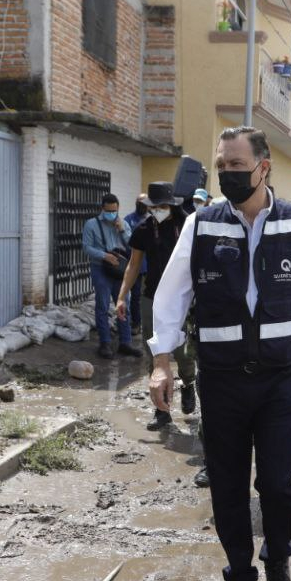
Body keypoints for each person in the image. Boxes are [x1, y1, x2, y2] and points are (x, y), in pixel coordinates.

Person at [146, 126, 291, 581]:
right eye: (222, 165)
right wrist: (161, 361)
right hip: (222, 379)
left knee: (278, 483)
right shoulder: (200, 225)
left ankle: (278, 566)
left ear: (264, 168)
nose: (228, 174)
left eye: (237, 165)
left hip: (280, 378)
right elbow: (171, 297)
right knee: (228, 489)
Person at [116, 182, 195, 432]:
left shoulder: (186, 226)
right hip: (152, 298)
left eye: (163, 206)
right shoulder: (143, 229)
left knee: (184, 353)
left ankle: (188, 383)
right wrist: (122, 296)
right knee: (155, 355)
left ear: (172, 206)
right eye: (155, 207)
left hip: (184, 299)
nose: (159, 210)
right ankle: (162, 412)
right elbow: (133, 265)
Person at [83, 194, 141, 360]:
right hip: (100, 268)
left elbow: (132, 246)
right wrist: (104, 255)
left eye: (114, 211)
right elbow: (86, 247)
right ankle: (105, 343)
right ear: (102, 209)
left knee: (124, 305)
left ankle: (125, 342)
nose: (111, 214)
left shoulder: (123, 223)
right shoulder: (91, 224)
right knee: (102, 306)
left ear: (118, 208)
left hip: (120, 269)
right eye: (108, 211)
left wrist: (122, 230)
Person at [124, 194, 150, 336]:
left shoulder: (152, 219)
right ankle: (136, 323)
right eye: (138, 202)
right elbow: (126, 242)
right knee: (135, 296)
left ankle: (151, 323)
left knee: (152, 296)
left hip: (152, 264)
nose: (141, 205)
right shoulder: (129, 219)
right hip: (137, 265)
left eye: (143, 202)